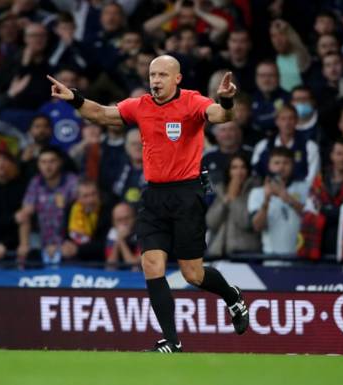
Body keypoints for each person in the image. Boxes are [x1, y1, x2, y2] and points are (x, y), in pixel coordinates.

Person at [47, 54, 249, 353]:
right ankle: (172, 341)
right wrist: (74, 98)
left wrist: (228, 101)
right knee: (151, 264)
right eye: (153, 75)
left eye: (162, 75)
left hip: (186, 194)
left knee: (192, 274)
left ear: (177, 78)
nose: (155, 81)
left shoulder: (193, 102)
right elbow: (102, 114)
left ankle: (232, 296)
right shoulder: (139, 106)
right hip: (154, 195)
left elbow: (221, 116)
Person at [298, 138, 343, 260]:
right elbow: (311, 209)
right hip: (318, 247)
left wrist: (327, 211)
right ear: (332, 156)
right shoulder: (319, 180)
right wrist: (338, 211)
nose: (342, 158)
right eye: (339, 154)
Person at [15, 146, 78, 265]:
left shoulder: (72, 181)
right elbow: (25, 213)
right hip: (41, 240)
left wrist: (69, 242)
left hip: (68, 241)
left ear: (60, 162)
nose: (47, 167)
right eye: (43, 162)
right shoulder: (36, 182)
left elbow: (80, 212)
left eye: (52, 161)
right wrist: (24, 245)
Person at [248, 147, 308, 255]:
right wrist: (266, 200)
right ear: (269, 165)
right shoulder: (257, 193)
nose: (281, 167)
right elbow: (257, 227)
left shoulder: (304, 188)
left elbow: (311, 218)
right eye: (277, 163)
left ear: (292, 165)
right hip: (271, 256)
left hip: (301, 254)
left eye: (286, 163)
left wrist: (286, 197)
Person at [206, 153, 260, 257]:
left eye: (243, 167)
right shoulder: (221, 190)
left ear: (248, 170)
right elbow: (211, 223)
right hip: (219, 252)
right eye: (234, 168)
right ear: (229, 171)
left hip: (246, 253)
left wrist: (234, 199)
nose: (239, 172)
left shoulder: (255, 190)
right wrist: (226, 200)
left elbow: (246, 222)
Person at [105, 202, 140, 269]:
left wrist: (121, 240)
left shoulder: (142, 233)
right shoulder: (112, 233)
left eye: (127, 218)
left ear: (134, 218)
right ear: (113, 222)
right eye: (119, 220)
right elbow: (110, 267)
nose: (124, 223)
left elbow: (135, 266)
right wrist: (118, 241)